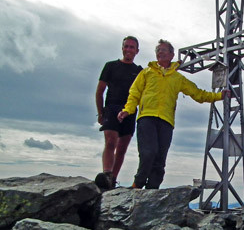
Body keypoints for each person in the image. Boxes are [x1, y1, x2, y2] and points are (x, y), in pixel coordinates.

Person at [117, 39, 229, 189]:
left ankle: (153, 189)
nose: (160, 53)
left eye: (163, 50)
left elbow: (198, 94)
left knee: (160, 158)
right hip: (147, 117)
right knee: (148, 152)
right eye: (158, 51)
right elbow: (134, 93)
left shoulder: (178, 78)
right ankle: (138, 184)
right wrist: (127, 110)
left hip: (166, 120)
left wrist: (218, 96)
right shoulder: (146, 72)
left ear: (171, 55)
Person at [95, 36, 143, 190]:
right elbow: (100, 91)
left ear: (137, 51)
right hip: (112, 107)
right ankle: (107, 174)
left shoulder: (139, 71)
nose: (128, 49)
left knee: (122, 148)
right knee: (110, 142)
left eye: (132, 47)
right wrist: (100, 112)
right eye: (126, 46)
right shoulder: (110, 66)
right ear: (122, 48)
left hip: (130, 110)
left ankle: (112, 180)